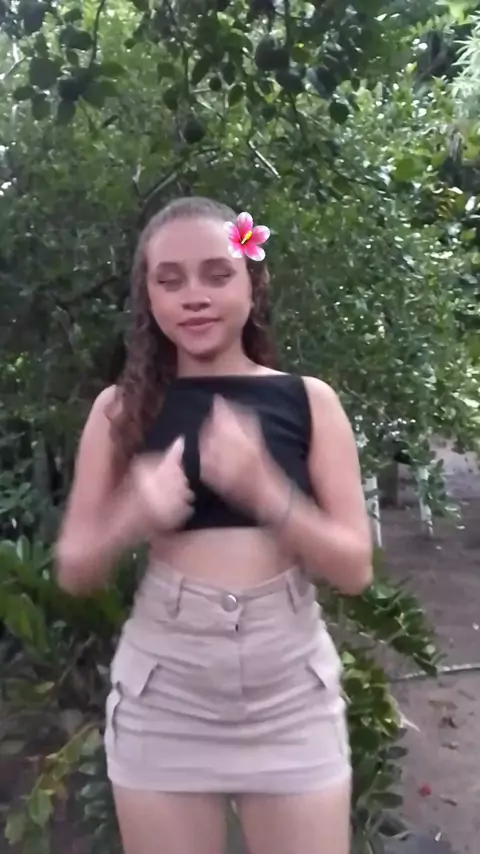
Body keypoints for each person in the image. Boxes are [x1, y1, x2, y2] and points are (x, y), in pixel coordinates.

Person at [54, 196, 372, 854]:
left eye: (217, 274)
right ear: (149, 298)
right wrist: (133, 514)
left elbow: (354, 569)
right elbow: (75, 570)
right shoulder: (120, 409)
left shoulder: (309, 401)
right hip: (166, 696)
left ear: (252, 285)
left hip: (291, 695)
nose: (193, 296)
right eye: (169, 280)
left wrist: (267, 492)